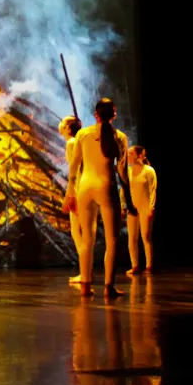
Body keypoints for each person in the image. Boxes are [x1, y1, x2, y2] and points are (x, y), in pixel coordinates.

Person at [64, 98, 130, 297]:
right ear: (114, 115)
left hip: (85, 188)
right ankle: (109, 287)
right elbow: (123, 172)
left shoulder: (83, 134)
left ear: (95, 115)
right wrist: (128, 199)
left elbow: (74, 167)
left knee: (87, 240)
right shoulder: (120, 137)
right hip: (106, 188)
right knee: (112, 241)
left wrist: (70, 193)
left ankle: (85, 285)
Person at [59, 116, 84, 284]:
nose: (60, 125)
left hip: (79, 191)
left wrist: (71, 194)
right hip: (81, 189)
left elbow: (75, 171)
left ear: (68, 128)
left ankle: (85, 272)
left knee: (78, 233)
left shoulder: (71, 143)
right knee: (81, 233)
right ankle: (85, 272)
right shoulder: (76, 142)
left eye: (64, 122)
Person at [124, 146, 157, 275]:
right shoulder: (128, 171)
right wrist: (124, 205)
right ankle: (135, 265)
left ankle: (149, 266)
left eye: (131, 153)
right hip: (132, 208)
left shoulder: (149, 171)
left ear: (139, 155)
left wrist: (151, 208)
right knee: (131, 238)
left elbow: (152, 190)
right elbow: (124, 190)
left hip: (145, 207)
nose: (128, 155)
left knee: (145, 236)